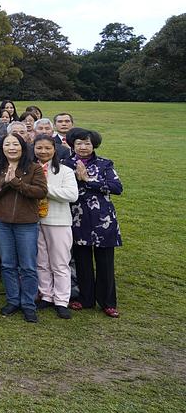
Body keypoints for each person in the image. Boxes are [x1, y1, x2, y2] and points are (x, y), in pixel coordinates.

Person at [63, 128, 123, 318]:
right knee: (82, 260)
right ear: (72, 145)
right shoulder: (65, 164)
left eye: (87, 143)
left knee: (105, 261)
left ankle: (107, 302)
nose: (83, 147)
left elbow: (116, 187)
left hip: (102, 219)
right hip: (77, 217)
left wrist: (88, 180)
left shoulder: (104, 163)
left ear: (93, 145)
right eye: (79, 143)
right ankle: (85, 298)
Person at [0, 133, 48, 323]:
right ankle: (13, 300)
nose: (11, 148)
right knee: (7, 264)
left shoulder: (34, 168)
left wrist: (16, 182)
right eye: (8, 144)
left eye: (15, 144)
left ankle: (28, 304)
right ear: (3, 148)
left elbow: (40, 192)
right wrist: (5, 182)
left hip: (26, 223)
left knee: (28, 265)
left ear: (23, 147)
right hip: (2, 222)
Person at [32, 135, 78, 319]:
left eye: (47, 148)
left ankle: (61, 300)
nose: (43, 151)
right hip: (34, 220)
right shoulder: (31, 169)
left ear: (54, 150)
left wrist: (45, 189)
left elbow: (71, 194)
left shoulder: (65, 171)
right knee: (41, 261)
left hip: (58, 221)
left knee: (60, 263)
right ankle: (46, 295)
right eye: (39, 148)